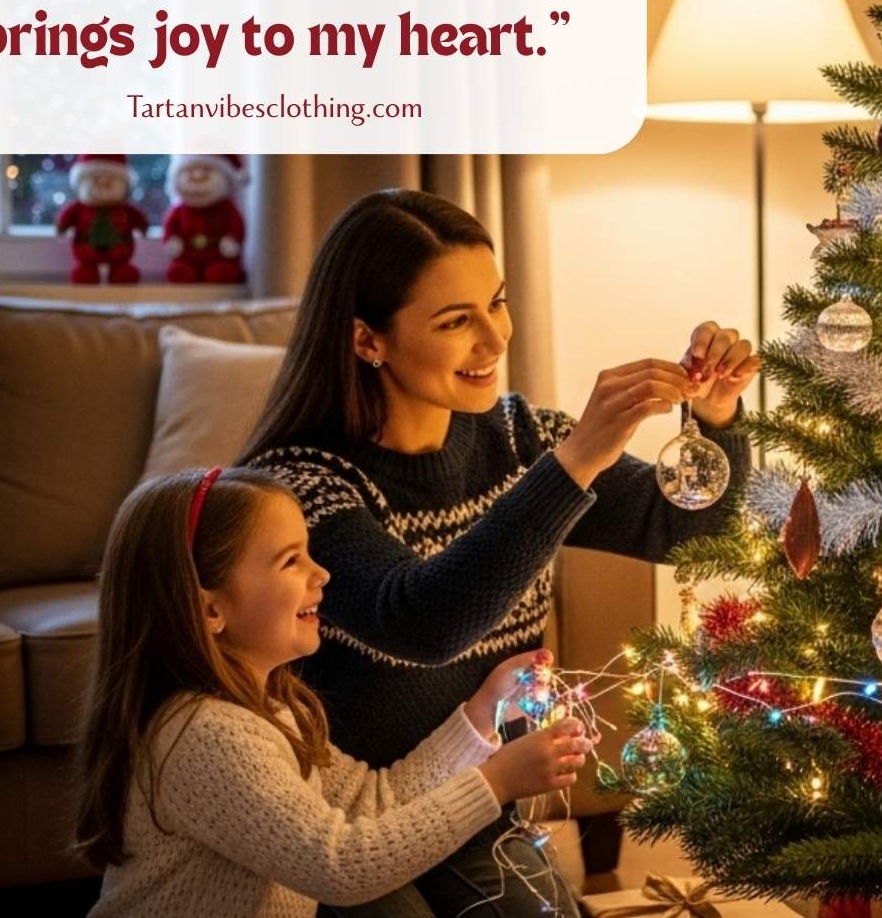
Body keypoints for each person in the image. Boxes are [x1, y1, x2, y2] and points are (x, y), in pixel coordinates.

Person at [238, 190, 759, 917]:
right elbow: (420, 621)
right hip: (344, 827)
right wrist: (575, 462)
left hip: (476, 808)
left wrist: (717, 414)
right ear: (367, 340)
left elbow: (687, 530)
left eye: (497, 303)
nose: (494, 339)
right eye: (456, 321)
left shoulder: (518, 438)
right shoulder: (299, 485)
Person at [75, 467, 596, 917]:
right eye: (290, 561)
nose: (321, 573)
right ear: (211, 608)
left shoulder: (274, 711)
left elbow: (375, 801)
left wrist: (482, 715)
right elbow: (341, 865)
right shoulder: (207, 735)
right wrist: (496, 782)